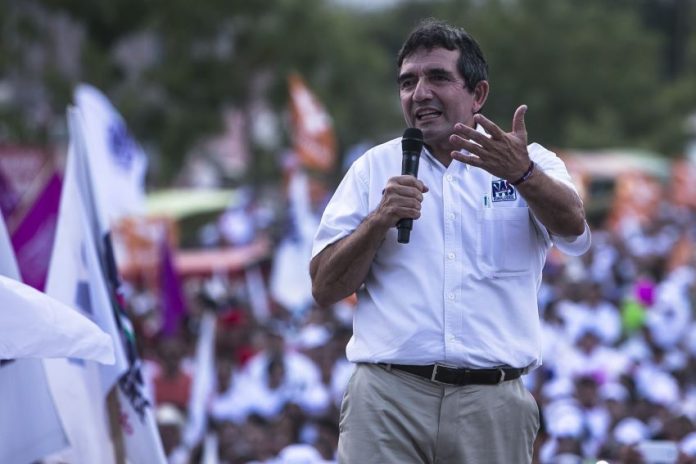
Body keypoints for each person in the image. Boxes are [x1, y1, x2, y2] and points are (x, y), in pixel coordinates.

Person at [309, 18, 591, 463]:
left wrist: (523, 176)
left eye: (437, 77)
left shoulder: (532, 162)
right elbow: (324, 287)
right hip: (388, 402)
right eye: (407, 82)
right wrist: (379, 220)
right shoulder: (371, 169)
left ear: (478, 94)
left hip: (493, 404)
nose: (419, 93)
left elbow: (575, 233)